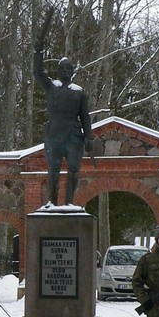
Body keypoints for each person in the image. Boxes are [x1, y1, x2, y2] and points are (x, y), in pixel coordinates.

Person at [33, 43, 95, 206]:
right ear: (58, 71)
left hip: (74, 135)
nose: (66, 71)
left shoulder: (79, 92)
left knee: (74, 169)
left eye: (69, 68)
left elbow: (85, 117)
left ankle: (69, 204)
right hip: (54, 134)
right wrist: (38, 52)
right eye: (63, 69)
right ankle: (52, 203)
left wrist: (89, 136)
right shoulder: (52, 87)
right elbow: (37, 73)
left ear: (72, 72)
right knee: (53, 169)